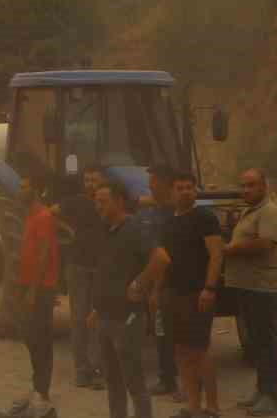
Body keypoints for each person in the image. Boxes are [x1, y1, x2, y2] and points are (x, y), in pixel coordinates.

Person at [151, 171, 224, 418]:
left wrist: (209, 288)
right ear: (172, 192)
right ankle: (193, 406)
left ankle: (212, 407)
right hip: (172, 294)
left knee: (199, 350)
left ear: (196, 191)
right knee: (181, 351)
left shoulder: (205, 217)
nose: (185, 192)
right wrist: (157, 292)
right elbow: (162, 260)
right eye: (180, 188)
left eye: (189, 188)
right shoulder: (168, 222)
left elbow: (216, 254)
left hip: (197, 294)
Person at [88, 179, 155, 418]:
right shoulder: (107, 231)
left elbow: (161, 260)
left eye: (103, 202)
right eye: (96, 202)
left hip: (127, 318)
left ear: (119, 201)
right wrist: (97, 309)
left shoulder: (135, 229)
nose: (98, 207)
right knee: (113, 381)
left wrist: (140, 283)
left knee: (134, 381)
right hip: (105, 317)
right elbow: (107, 272)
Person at [224, 168, 277, 417]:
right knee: (258, 344)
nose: (245, 190)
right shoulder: (251, 212)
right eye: (243, 185)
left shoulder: (271, 212)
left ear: (263, 187)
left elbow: (266, 244)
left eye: (251, 185)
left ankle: (273, 398)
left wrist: (230, 249)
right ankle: (262, 392)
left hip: (265, 288)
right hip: (250, 287)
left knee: (268, 345)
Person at [3, 167, 60, 418]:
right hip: (28, 286)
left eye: (24, 187)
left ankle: (42, 392)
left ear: (35, 190)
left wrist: (33, 291)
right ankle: (38, 388)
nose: (20, 191)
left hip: (41, 287)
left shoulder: (43, 216)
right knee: (31, 337)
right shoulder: (30, 216)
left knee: (40, 340)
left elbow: (45, 254)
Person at [56, 168, 106, 389]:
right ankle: (81, 369)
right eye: (87, 179)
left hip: (102, 267)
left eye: (94, 179)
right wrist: (69, 230)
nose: (90, 183)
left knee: (99, 317)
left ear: (103, 181)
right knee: (78, 317)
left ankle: (97, 369)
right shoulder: (76, 202)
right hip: (78, 266)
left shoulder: (108, 201)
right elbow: (50, 213)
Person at [135, 163, 181, 400]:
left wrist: (155, 289)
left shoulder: (175, 214)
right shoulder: (157, 209)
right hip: (160, 281)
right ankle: (167, 377)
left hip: (173, 283)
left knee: (177, 334)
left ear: (165, 183)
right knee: (162, 332)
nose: (150, 186)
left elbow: (164, 255)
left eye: (153, 182)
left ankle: (180, 383)